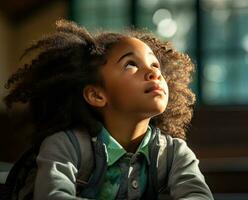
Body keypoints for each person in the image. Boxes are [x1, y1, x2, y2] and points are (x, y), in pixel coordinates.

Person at [3, 19, 213, 199]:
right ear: (97, 95)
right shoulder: (66, 145)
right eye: (130, 64)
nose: (153, 73)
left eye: (155, 65)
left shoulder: (173, 152)